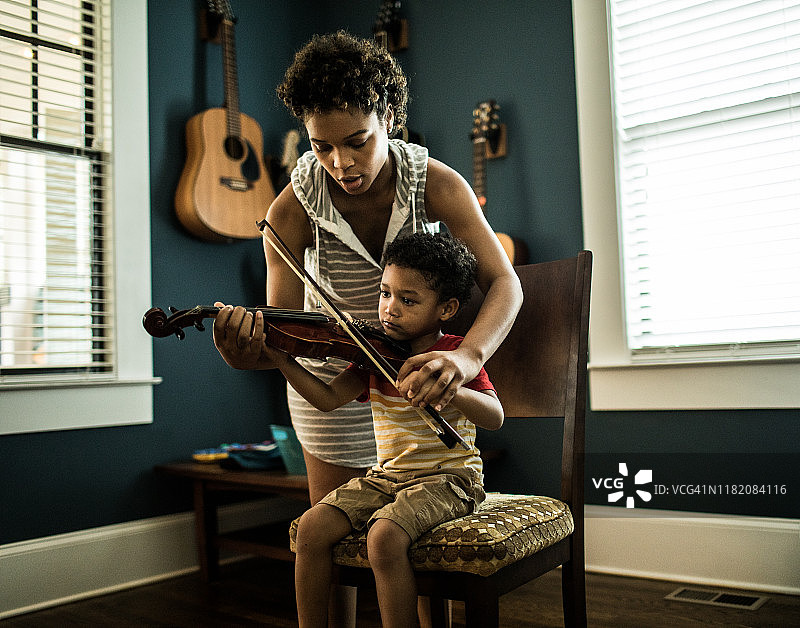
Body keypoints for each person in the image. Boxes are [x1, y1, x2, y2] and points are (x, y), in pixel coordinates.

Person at [212, 31, 522, 626]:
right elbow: (286, 333)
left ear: (388, 117)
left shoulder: (435, 182)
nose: (341, 163)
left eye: (357, 142)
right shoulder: (288, 211)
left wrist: (467, 359)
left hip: (422, 376)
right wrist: (248, 351)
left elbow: (507, 284)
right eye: (322, 147)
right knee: (331, 552)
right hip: (336, 383)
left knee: (413, 553)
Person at [267, 233, 504, 628]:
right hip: (388, 477)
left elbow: (494, 415)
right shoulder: (372, 356)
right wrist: (281, 359)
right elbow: (327, 399)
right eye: (384, 293)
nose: (389, 309)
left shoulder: (454, 354)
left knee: (384, 537)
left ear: (446, 308)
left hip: (450, 479)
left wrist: (452, 388)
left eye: (407, 300)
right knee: (310, 527)